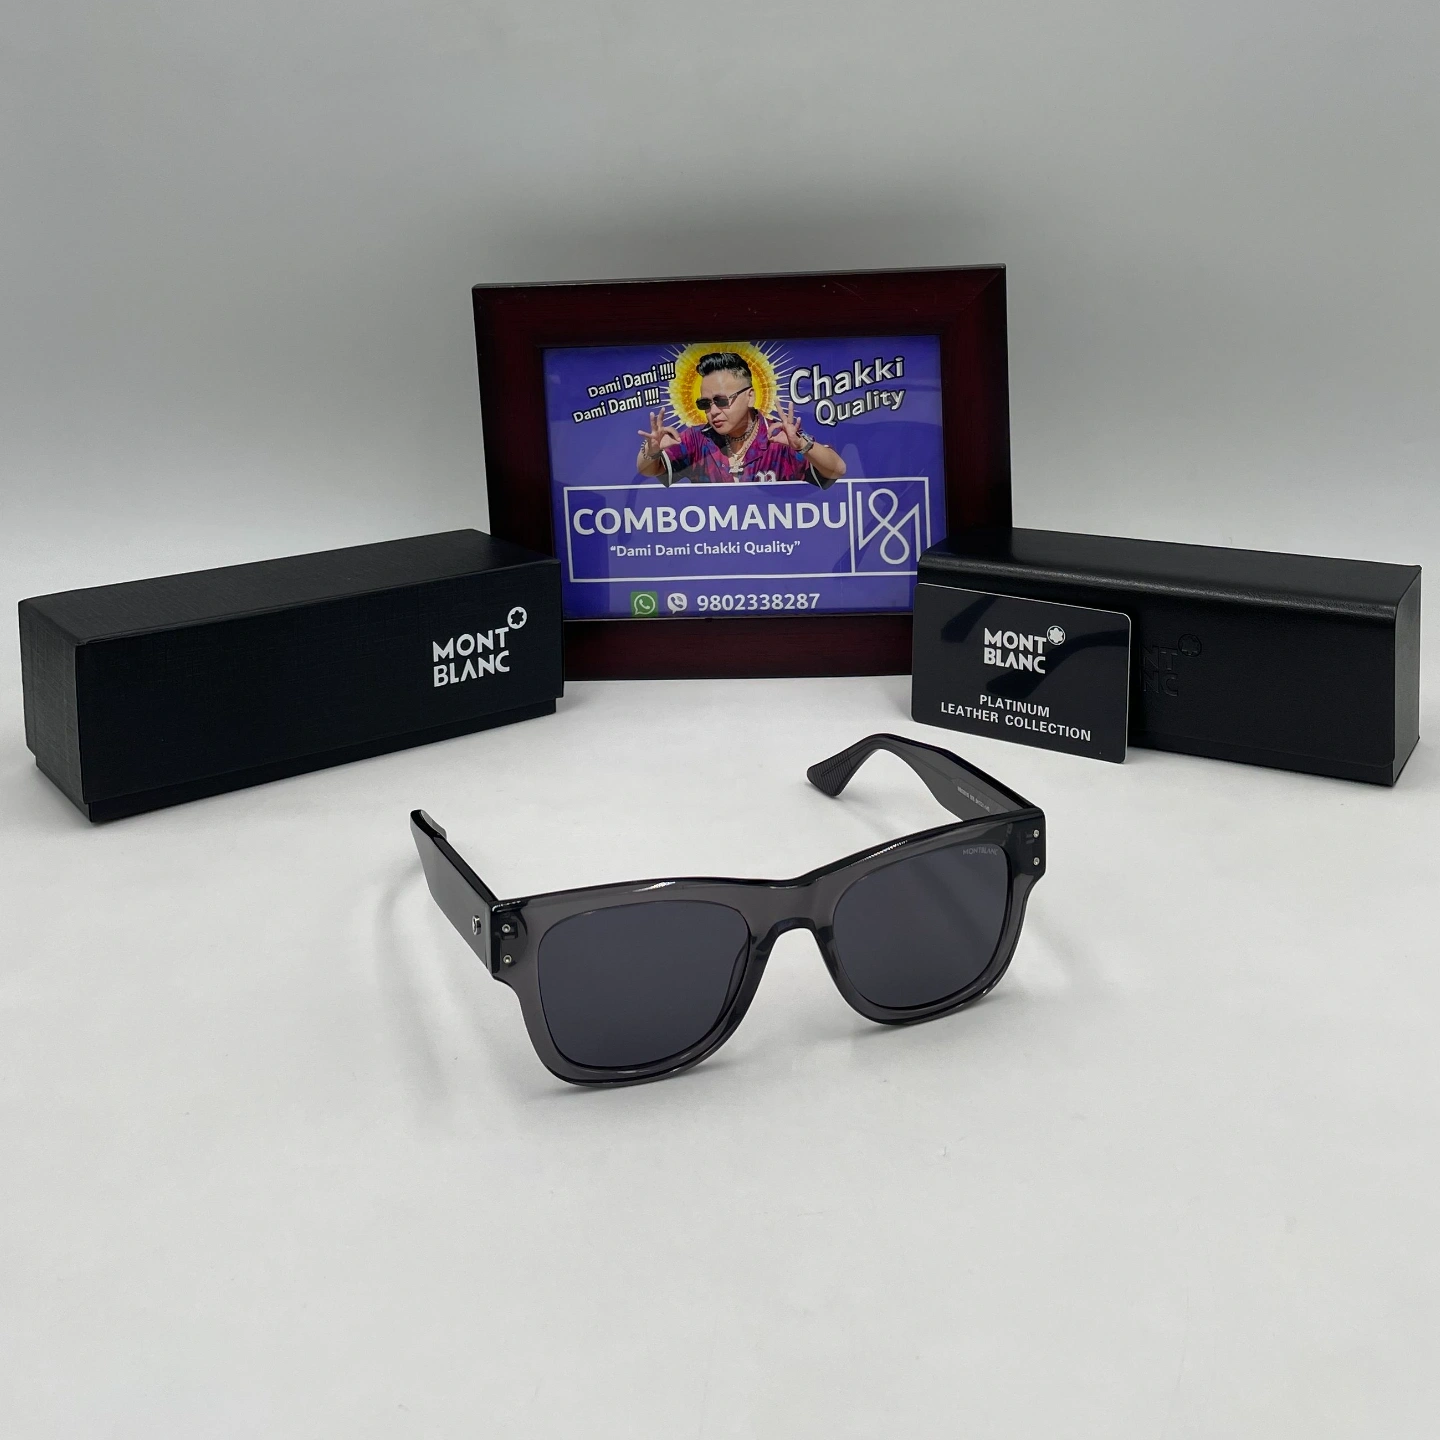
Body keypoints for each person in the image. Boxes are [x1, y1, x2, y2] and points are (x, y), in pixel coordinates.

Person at [635, 351, 846, 486]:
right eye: (705, 403)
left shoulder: (780, 437)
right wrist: (651, 451)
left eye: (721, 401)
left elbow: (838, 469)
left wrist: (801, 445)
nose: (713, 411)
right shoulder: (697, 439)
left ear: (750, 396)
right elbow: (649, 469)